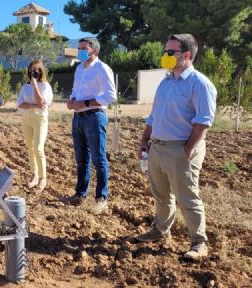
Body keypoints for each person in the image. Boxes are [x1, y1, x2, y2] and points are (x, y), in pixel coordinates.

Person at [135, 34, 217, 260]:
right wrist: (145, 140)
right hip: (158, 147)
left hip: (180, 149)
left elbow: (203, 122)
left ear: (187, 55)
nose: (165, 56)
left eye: (171, 52)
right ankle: (161, 230)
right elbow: (154, 115)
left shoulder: (199, 83)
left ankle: (199, 243)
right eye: (165, 51)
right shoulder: (166, 81)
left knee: (187, 197)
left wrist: (187, 151)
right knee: (161, 195)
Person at [66, 37, 117, 215]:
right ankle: (80, 194)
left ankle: (101, 198)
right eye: (79, 48)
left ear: (94, 51)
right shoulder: (79, 69)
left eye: (84, 48)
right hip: (78, 117)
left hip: (95, 117)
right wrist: (72, 101)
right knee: (81, 159)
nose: (80, 51)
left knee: (99, 158)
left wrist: (86, 103)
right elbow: (75, 90)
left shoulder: (102, 68)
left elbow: (111, 96)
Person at [16, 60, 53, 191]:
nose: (34, 72)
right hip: (26, 119)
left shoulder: (45, 86)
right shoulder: (25, 87)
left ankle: (43, 178)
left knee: (38, 148)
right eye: (31, 70)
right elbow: (19, 104)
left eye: (36, 70)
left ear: (41, 71)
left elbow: (42, 103)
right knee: (30, 148)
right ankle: (35, 175)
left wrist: (35, 86)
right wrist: (33, 105)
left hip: (40, 120)